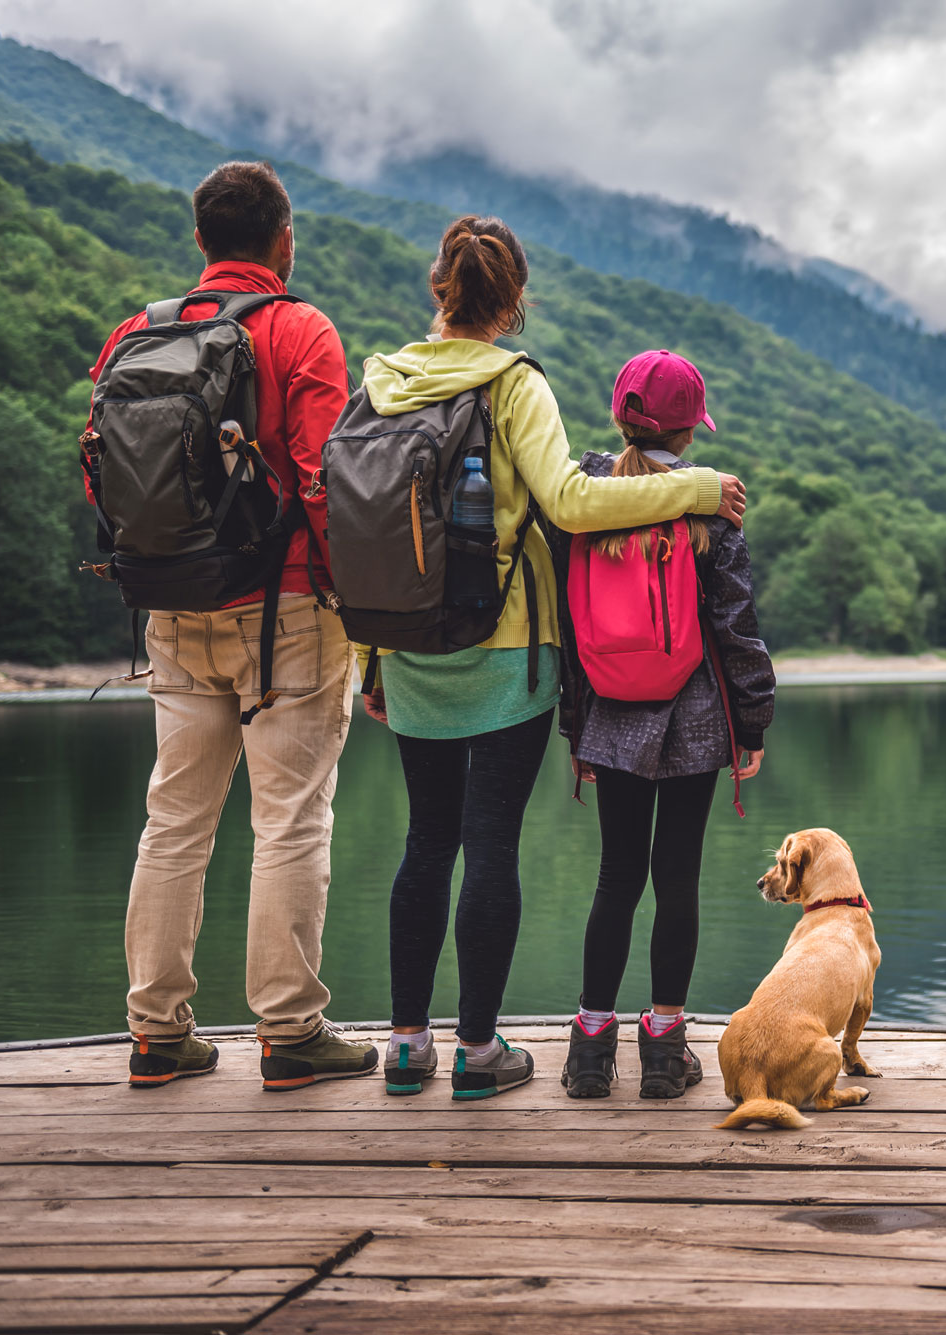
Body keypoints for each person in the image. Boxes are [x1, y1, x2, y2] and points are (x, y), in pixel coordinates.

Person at [363, 219, 748, 1101]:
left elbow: (366, 522)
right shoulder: (512, 382)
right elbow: (571, 504)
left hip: (407, 647)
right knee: (490, 841)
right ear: (516, 300)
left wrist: (368, 658)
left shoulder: (384, 380)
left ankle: (407, 1046)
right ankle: (477, 1052)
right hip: (504, 651)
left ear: (438, 288)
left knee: (425, 840)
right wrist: (697, 488)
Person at [91, 162, 380, 1090]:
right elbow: (321, 485)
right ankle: (290, 1033)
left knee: (173, 821)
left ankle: (156, 1033)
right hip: (287, 609)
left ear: (202, 242)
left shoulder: (134, 335)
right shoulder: (300, 328)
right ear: (283, 241)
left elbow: (101, 472)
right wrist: (355, 607)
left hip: (172, 609)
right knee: (290, 821)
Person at [562, 350, 775, 1102]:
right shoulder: (712, 507)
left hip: (611, 714)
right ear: (690, 432)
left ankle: (589, 1050)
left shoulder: (584, 497)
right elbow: (736, 628)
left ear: (620, 413)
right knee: (675, 875)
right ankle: (663, 1049)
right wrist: (752, 724)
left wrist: (574, 729)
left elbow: (569, 626)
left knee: (615, 875)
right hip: (692, 716)